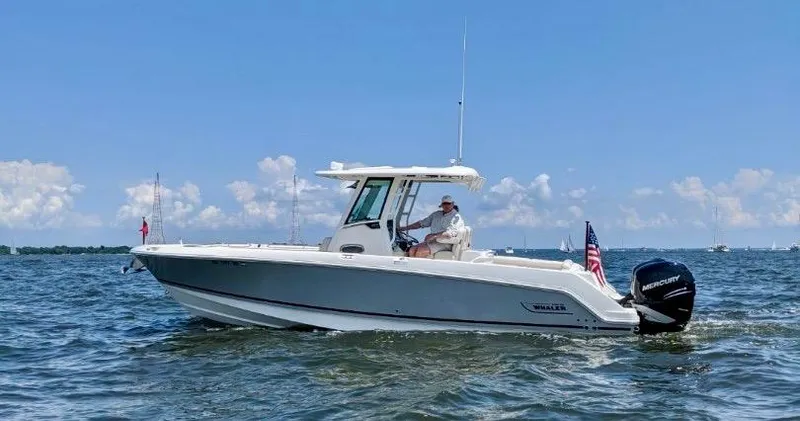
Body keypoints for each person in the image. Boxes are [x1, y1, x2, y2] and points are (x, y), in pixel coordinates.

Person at [398, 195, 465, 258]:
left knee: (420, 251)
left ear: (452, 204)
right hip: (432, 241)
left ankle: (417, 269)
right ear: (441, 205)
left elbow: (450, 233)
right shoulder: (436, 214)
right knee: (412, 250)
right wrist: (403, 228)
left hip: (445, 243)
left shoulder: (456, 217)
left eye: (448, 203)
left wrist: (433, 236)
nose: (446, 205)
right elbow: (421, 223)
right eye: (444, 204)